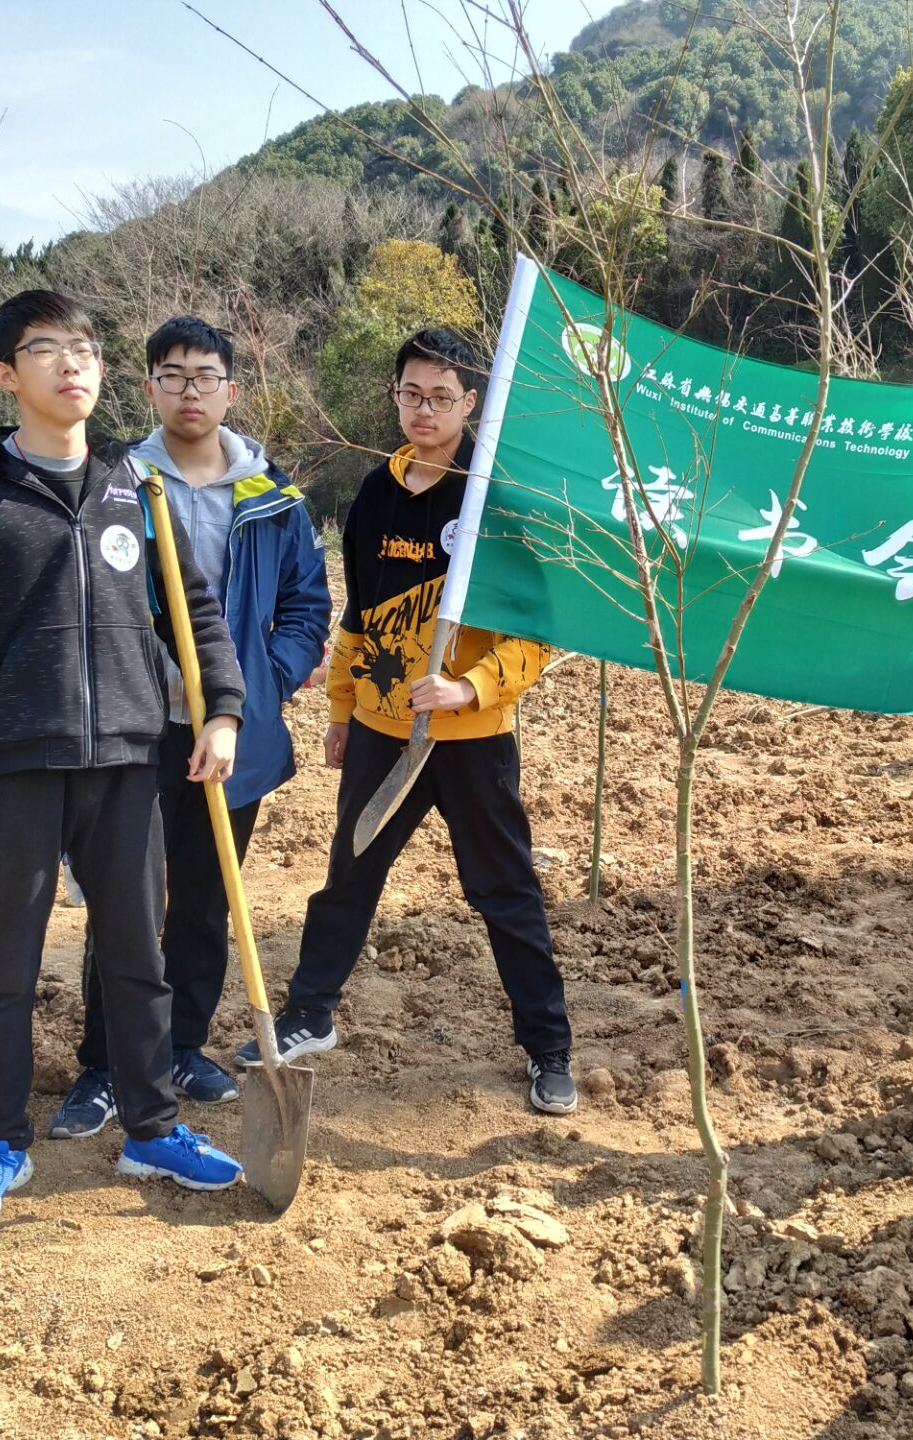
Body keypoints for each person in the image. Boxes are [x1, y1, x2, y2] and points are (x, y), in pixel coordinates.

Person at [0, 289, 249, 1235]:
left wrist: (221, 709)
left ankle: (151, 1125)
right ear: (5, 374)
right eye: (46, 349)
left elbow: (196, 613)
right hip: (13, 767)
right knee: (5, 962)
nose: (72, 365)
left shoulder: (137, 488)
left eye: (86, 349)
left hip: (131, 755)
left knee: (139, 953)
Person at [236, 328, 577, 1115]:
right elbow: (358, 615)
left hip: (471, 742)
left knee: (505, 892)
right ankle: (308, 1014)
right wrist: (344, 710)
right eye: (410, 394)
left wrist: (472, 690)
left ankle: (548, 1047)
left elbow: (536, 632)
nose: (423, 410)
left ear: (471, 403)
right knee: (349, 877)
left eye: (441, 397)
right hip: (384, 735)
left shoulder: (497, 498)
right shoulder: (375, 492)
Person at [49, 316, 330, 1138]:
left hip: (230, 736)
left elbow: (305, 609)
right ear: (149, 389)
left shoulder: (271, 496)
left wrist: (257, 687)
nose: (190, 390)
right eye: (172, 376)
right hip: (138, 729)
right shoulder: (115, 484)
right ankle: (106, 1063)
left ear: (230, 390)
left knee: (209, 900)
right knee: (124, 900)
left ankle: (179, 1045)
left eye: (205, 376)